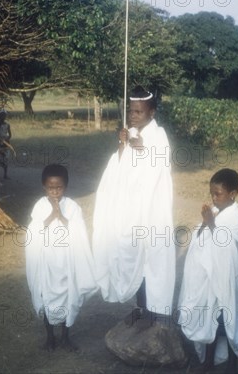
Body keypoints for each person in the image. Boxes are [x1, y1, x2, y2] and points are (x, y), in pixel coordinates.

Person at [93, 86, 175, 324]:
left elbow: (162, 166)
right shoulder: (129, 132)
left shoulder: (158, 135)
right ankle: (141, 306)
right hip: (130, 209)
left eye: (139, 112)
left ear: (152, 112)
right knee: (131, 254)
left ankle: (153, 311)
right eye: (131, 111)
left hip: (151, 209)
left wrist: (144, 150)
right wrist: (122, 146)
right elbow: (119, 170)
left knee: (151, 257)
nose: (134, 116)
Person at [178, 168, 238, 374]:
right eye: (212, 194)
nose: (214, 198)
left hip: (225, 278)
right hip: (209, 278)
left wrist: (212, 225)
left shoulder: (236, 219)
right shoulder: (216, 213)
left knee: (228, 319)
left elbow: (228, 248)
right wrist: (205, 225)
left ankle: (233, 365)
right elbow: (199, 241)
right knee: (211, 319)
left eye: (218, 194)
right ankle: (208, 362)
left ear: (232, 194)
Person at [25, 164, 97, 351]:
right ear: (44, 187)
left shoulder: (72, 206)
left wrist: (62, 216)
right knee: (46, 297)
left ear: (65, 187)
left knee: (67, 297)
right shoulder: (40, 206)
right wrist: (52, 215)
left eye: (59, 187)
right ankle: (50, 337)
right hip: (46, 263)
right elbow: (34, 231)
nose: (55, 192)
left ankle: (66, 336)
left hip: (66, 262)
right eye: (51, 188)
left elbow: (78, 231)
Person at [0, 110, 11, 179]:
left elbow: (10, 135)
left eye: (4, 116)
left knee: (5, 158)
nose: (4, 117)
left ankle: (5, 174)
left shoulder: (7, 125)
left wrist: (7, 139)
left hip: (4, 144)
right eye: (2, 116)